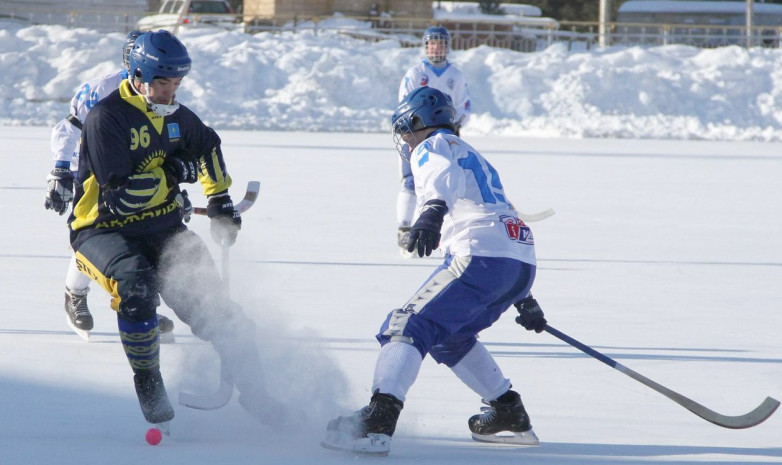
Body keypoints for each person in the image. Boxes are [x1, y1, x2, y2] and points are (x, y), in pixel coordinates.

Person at [68, 30, 277, 427]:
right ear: (137, 75)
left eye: (177, 83)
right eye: (162, 82)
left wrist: (219, 201)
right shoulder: (106, 119)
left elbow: (208, 146)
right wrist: (176, 172)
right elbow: (123, 197)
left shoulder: (178, 117)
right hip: (102, 231)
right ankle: (148, 382)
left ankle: (257, 392)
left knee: (218, 311)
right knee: (138, 283)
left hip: (162, 228)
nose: (169, 92)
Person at [321, 87, 546, 456]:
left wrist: (431, 211)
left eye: (405, 129)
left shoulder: (433, 145)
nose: (405, 140)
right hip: (519, 260)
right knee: (450, 336)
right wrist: (524, 298)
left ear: (416, 121)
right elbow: (500, 212)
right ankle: (507, 411)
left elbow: (439, 177)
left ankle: (378, 419)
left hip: (479, 255)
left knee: (407, 325)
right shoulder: (472, 154)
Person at [45, 30, 176, 339]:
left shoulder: (159, 85)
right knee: (94, 235)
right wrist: (61, 169)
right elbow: (69, 127)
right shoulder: (101, 89)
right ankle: (74, 293)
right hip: (93, 173)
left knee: (144, 234)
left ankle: (141, 304)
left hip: (137, 171)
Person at [395, 26, 471, 257]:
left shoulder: (455, 75)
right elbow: (404, 104)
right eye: (432, 43)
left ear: (447, 46)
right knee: (411, 181)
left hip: (447, 136)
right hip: (416, 134)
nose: (437, 47)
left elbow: (464, 106)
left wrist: (453, 125)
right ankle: (405, 230)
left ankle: (445, 228)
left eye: (441, 43)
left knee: (446, 180)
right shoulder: (415, 73)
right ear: (426, 46)